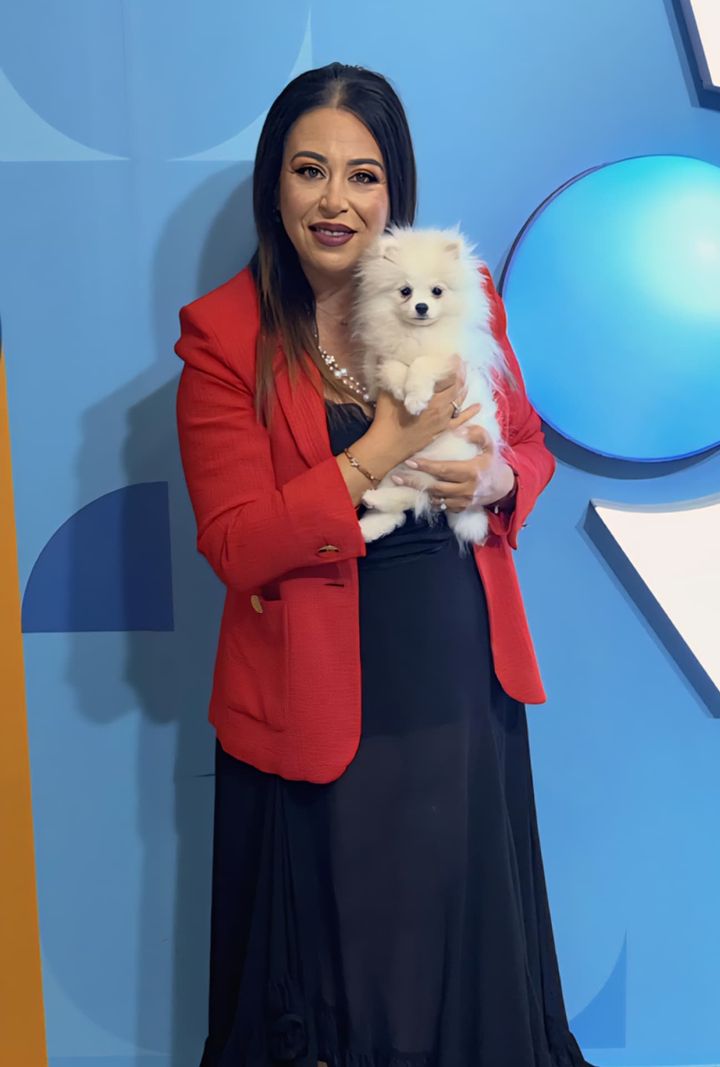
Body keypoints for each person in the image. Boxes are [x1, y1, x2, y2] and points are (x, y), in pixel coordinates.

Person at [175, 61, 594, 1067]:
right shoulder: (223, 335)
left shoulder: (457, 289)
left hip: (457, 677)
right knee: (350, 966)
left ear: (393, 186)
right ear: (274, 184)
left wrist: (498, 480)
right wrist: (378, 451)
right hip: (313, 691)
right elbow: (236, 543)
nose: (335, 200)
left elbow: (527, 444)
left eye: (362, 175)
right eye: (308, 170)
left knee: (458, 944)